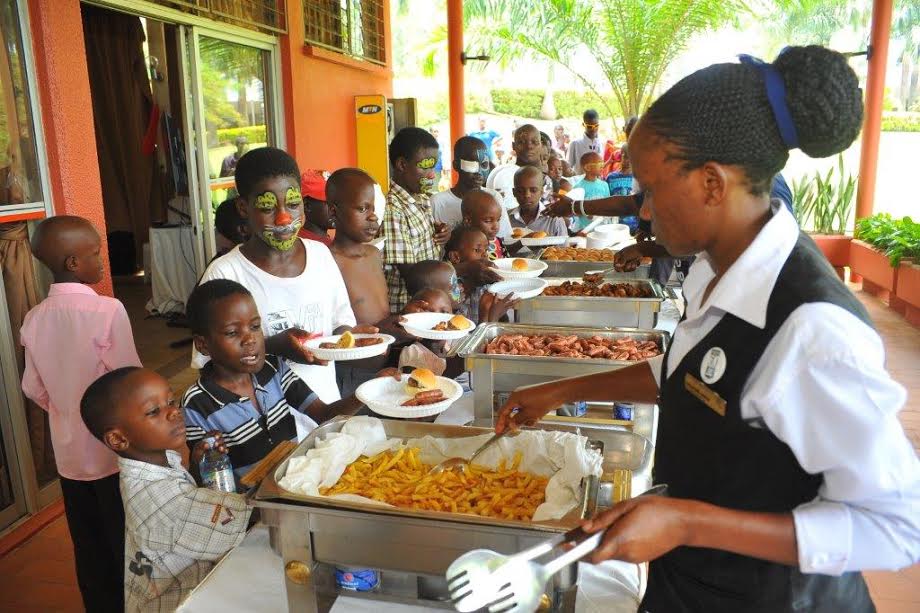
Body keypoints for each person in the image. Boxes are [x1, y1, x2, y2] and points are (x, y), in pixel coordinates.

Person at [498, 46, 920, 611]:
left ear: (712, 184)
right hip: (692, 586)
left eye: (649, 189)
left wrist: (688, 523)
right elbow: (694, 374)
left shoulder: (812, 329)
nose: (643, 212)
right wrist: (566, 388)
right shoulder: (713, 268)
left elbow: (895, 525)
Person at [20, 215, 141, 613]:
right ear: (73, 263)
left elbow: (32, 387)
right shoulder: (107, 311)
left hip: (69, 457)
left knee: (87, 542)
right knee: (124, 537)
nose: (103, 260)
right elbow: (128, 383)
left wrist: (66, 411)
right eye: (95, 254)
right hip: (111, 452)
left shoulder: (34, 318)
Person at [194, 147, 374, 405]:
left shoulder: (320, 256)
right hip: (264, 422)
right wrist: (273, 346)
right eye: (268, 208)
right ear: (243, 208)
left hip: (324, 408)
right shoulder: (225, 273)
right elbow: (207, 363)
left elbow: (339, 323)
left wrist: (353, 338)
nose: (284, 218)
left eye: (292, 204)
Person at [182, 280, 396, 483]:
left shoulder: (273, 369)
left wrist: (369, 389)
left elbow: (324, 414)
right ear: (203, 345)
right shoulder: (196, 404)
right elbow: (200, 477)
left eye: (255, 327)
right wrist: (200, 461)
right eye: (232, 332)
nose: (250, 339)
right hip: (250, 509)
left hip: (296, 485)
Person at [80, 367, 251, 612]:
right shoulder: (155, 498)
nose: (174, 412)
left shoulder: (157, 462)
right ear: (118, 439)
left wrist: (196, 467)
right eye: (153, 411)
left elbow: (184, 500)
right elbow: (235, 528)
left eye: (171, 401)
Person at [380, 127, 452, 313]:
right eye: (424, 166)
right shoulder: (392, 210)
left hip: (433, 301)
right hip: (411, 309)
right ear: (402, 165)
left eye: (433, 166)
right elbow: (412, 276)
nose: (431, 174)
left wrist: (442, 237)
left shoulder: (422, 197)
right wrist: (461, 271)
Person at [430, 136, 513, 238]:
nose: (479, 172)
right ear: (456, 165)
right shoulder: (437, 202)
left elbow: (504, 239)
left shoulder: (494, 198)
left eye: (484, 165)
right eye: (472, 165)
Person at [444, 225, 518, 323]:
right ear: (456, 256)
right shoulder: (451, 286)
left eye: (486, 250)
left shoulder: (487, 280)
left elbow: (502, 317)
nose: (485, 255)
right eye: (477, 250)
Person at [510, 166, 568, 237]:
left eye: (533, 190)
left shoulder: (554, 220)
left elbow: (564, 248)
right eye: (520, 191)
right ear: (514, 192)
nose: (527, 195)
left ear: (542, 192)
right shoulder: (506, 219)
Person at [461, 188, 506, 260]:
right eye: (488, 221)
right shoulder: (463, 246)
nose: (496, 226)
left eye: (498, 220)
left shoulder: (498, 242)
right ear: (468, 220)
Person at [297, 170, 333, 246]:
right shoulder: (302, 246)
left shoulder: (330, 242)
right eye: (329, 202)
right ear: (307, 205)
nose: (335, 208)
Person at [567, 109, 602, 174]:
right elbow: (568, 167)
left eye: (596, 126)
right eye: (589, 126)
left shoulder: (601, 143)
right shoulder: (575, 143)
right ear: (583, 124)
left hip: (597, 182)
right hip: (580, 182)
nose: (593, 129)